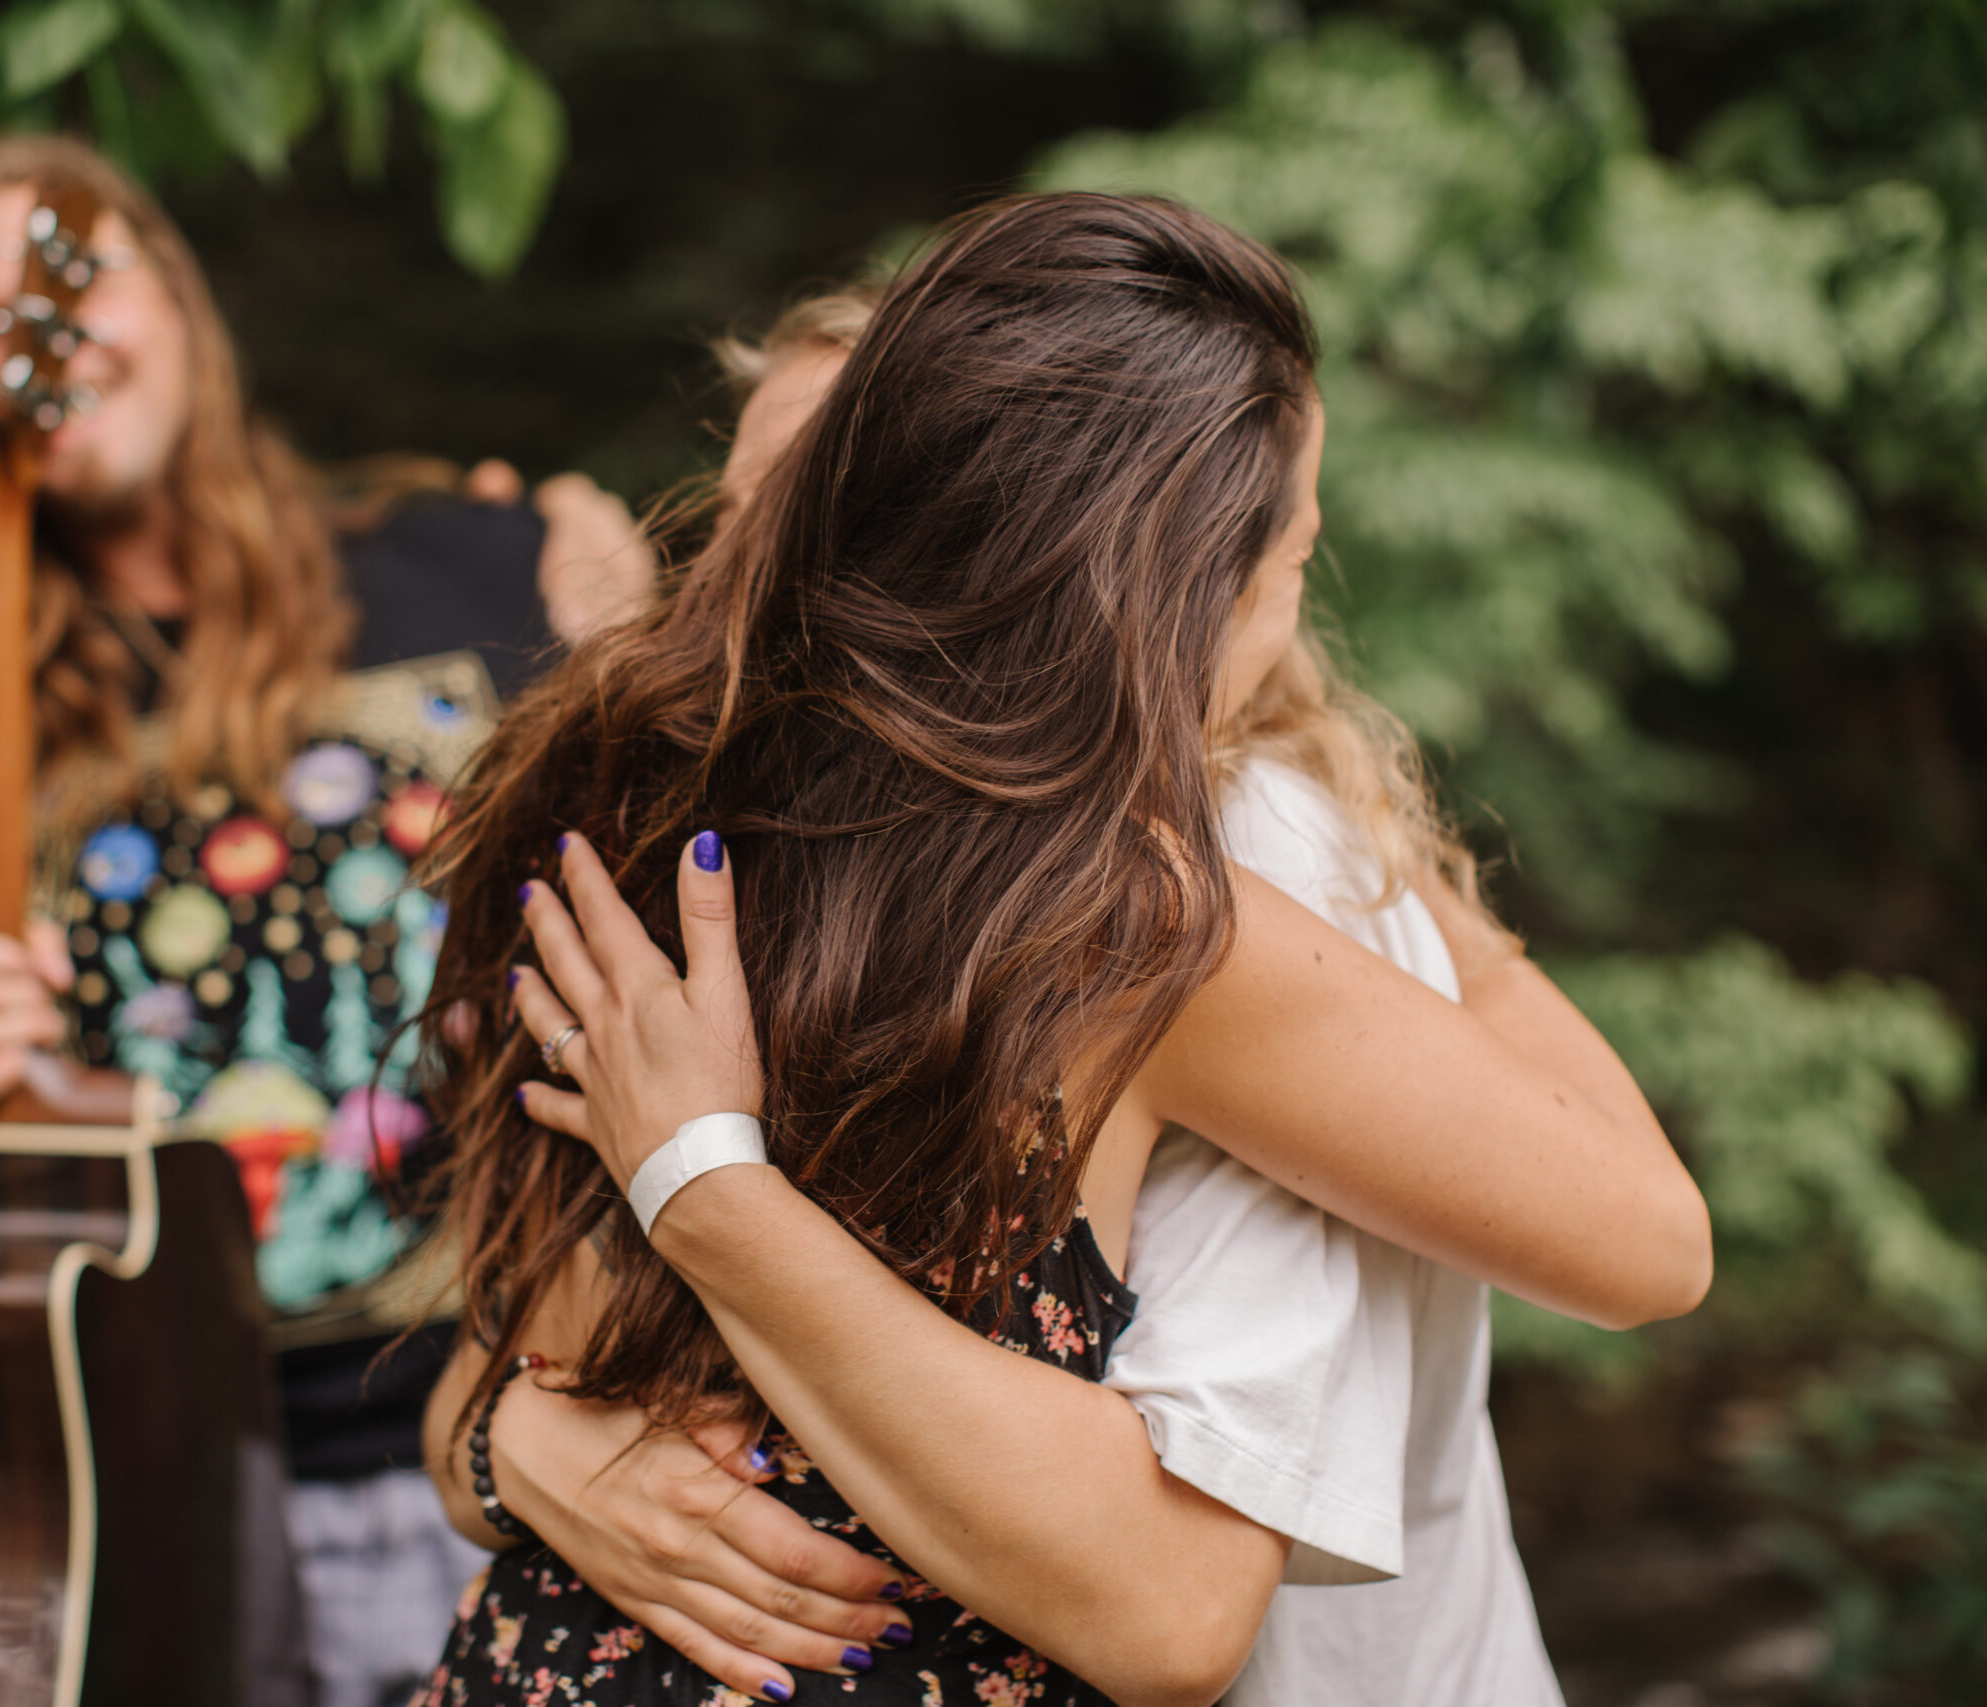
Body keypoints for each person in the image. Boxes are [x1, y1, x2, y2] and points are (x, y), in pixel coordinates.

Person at [408, 193, 1711, 1706]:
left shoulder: (627, 792)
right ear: (1178, 595)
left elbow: (522, 1326)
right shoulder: (1148, 921)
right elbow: (1648, 1249)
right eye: (1295, 555)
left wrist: (524, 1416)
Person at [0, 133, 652, 1707]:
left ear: (180, 297)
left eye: (78, 279)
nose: (44, 340)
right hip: (174, 1484)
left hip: (523, 1423)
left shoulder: (472, 563)